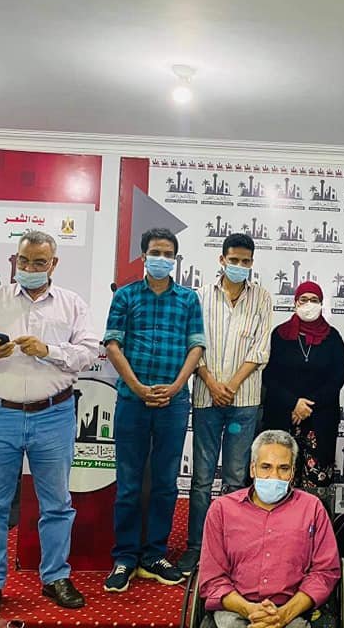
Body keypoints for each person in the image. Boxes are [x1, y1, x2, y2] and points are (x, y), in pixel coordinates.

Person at [0, 231, 98, 614]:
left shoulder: (71, 304)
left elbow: (88, 352)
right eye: (24, 261)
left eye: (39, 262)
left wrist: (49, 351)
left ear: (54, 264)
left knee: (57, 504)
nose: (30, 268)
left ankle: (55, 577)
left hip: (54, 414)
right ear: (15, 260)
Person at [102, 227, 205, 592]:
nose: (162, 259)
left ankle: (155, 555)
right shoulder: (126, 296)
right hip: (133, 401)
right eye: (155, 253)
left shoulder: (188, 299)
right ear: (144, 256)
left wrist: (175, 387)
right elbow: (112, 344)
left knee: (164, 483)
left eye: (168, 254)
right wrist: (138, 387)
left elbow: (196, 347)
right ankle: (125, 557)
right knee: (129, 484)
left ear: (175, 259)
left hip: (173, 404)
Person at [178, 233, 272, 577]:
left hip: (244, 401)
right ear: (222, 260)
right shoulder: (200, 296)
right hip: (207, 398)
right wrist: (212, 383)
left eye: (246, 261)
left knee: (235, 479)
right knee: (201, 479)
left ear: (252, 263)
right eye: (234, 260)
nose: (240, 266)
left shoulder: (262, 298)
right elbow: (194, 344)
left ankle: (232, 549)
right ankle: (196, 547)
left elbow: (260, 351)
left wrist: (230, 386)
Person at [198, 430, 341, 628]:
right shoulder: (222, 510)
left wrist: (284, 614)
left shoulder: (312, 508)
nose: (274, 476)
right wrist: (249, 610)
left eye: (283, 468)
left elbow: (324, 572)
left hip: (294, 609)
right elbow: (213, 578)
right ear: (252, 469)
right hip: (234, 608)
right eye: (266, 467)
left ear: (292, 472)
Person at [262, 280, 344, 487]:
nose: (309, 304)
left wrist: (307, 406)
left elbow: (337, 378)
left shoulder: (332, 338)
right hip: (283, 416)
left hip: (320, 420)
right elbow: (269, 376)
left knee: (316, 484)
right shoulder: (279, 335)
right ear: (295, 303)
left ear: (321, 303)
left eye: (314, 300)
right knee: (281, 482)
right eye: (304, 299)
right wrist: (293, 403)